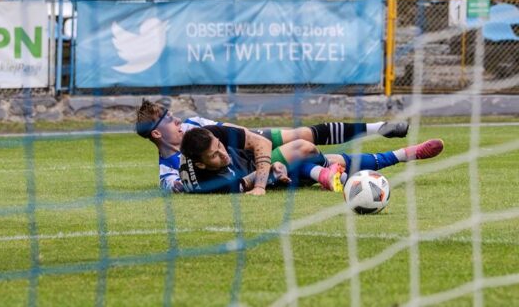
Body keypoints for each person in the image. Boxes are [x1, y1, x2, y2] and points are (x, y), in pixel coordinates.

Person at [134, 99, 410, 193]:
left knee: (304, 133)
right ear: (157, 133)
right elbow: (182, 187)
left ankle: (377, 127)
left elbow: (226, 131)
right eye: (169, 119)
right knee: (303, 147)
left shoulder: (193, 124)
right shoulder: (167, 171)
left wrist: (252, 140)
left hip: (246, 145)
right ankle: (329, 171)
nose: (177, 119)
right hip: (246, 166)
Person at [179, 125, 444, 195]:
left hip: (255, 157)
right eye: (215, 155)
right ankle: (403, 155)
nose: (222, 153)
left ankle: (327, 174)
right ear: (201, 164)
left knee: (307, 142)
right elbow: (242, 185)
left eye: (220, 147)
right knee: (304, 150)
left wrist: (262, 180)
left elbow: (260, 143)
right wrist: (268, 176)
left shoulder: (210, 134)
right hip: (260, 172)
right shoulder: (206, 183)